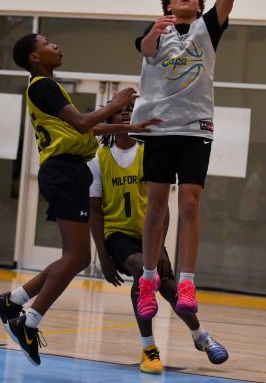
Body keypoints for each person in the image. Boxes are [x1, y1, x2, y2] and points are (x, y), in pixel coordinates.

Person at [0, 33, 160, 367]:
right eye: (47, 43)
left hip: (68, 171)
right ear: (35, 57)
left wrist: (131, 125)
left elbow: (83, 130)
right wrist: (114, 104)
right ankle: (28, 321)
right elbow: (84, 121)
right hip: (64, 172)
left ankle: (14, 300)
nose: (56, 45)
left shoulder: (48, 87)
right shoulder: (43, 85)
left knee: (76, 257)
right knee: (76, 257)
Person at [130, 0, 249, 320]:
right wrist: (154, 30)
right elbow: (144, 51)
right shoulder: (155, 32)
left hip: (196, 126)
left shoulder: (206, 29)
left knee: (192, 205)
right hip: (159, 128)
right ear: (168, 5)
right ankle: (147, 280)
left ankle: (188, 283)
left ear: (198, 7)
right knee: (157, 205)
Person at [88, 103, 228, 374]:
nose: (126, 113)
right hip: (117, 235)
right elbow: (95, 211)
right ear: (112, 118)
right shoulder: (98, 159)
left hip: (148, 235)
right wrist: (102, 256)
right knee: (144, 273)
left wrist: (161, 248)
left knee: (167, 285)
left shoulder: (148, 153)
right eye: (120, 111)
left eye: (131, 109)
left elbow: (161, 207)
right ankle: (149, 349)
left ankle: (201, 336)